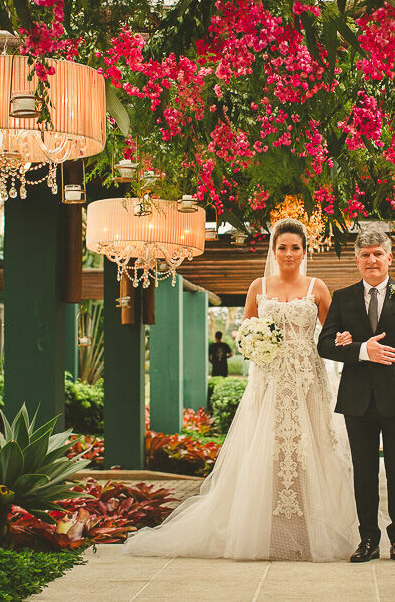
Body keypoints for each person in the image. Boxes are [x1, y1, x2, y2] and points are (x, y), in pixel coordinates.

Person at [123, 218, 358, 561]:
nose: (289, 253)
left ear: (305, 251)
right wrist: (255, 343)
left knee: (310, 448)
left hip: (308, 380)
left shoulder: (317, 288)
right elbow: (247, 333)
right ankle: (265, 526)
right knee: (269, 448)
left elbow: (331, 334)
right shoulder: (258, 286)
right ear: (273, 251)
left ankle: (312, 528)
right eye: (282, 247)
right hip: (270, 380)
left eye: (295, 247)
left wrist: (345, 339)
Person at [317, 229, 395, 565]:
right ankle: (368, 539)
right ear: (357, 260)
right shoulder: (343, 298)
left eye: (377, 254)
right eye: (365, 255)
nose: (372, 260)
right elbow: (324, 345)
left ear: (389, 258)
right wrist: (361, 351)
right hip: (357, 401)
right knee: (363, 473)